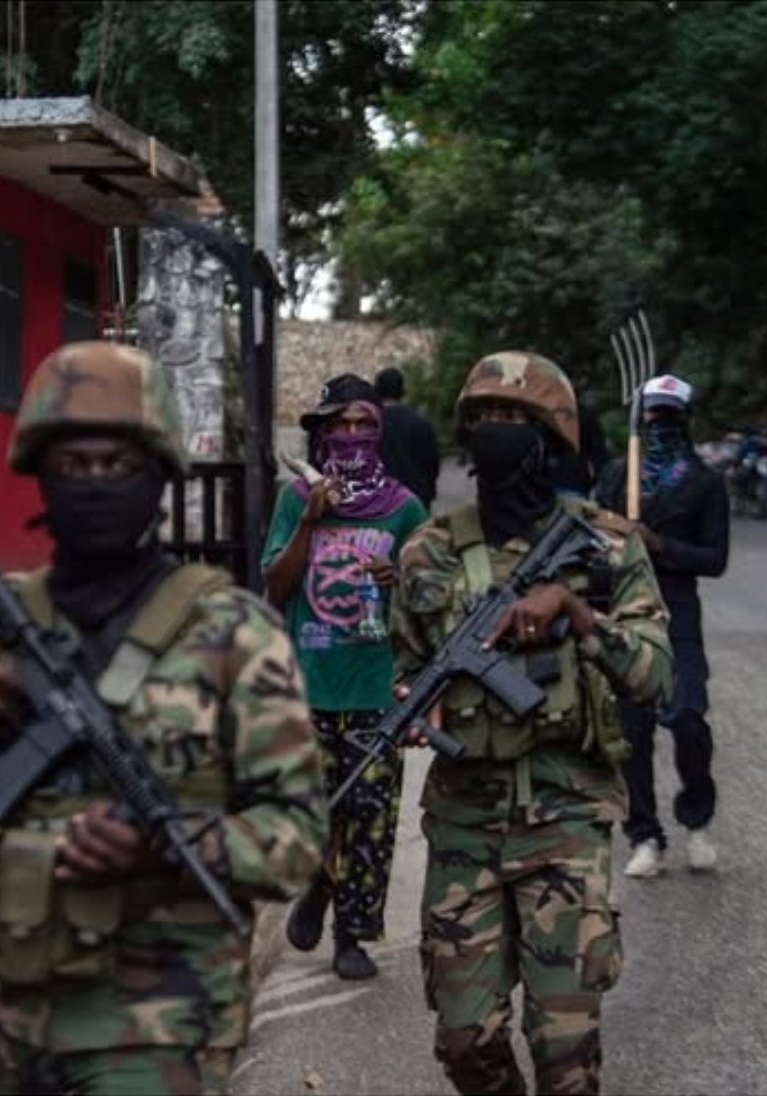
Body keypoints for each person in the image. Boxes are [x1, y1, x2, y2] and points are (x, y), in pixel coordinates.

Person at [0, 341, 327, 1095]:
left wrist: (163, 845)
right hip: (12, 1017)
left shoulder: (232, 634)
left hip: (161, 1024)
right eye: (71, 464)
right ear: (39, 475)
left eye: (115, 463)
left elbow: (298, 841)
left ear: (157, 475)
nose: (92, 482)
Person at [392, 351, 673, 1096]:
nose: (495, 430)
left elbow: (654, 675)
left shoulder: (607, 544)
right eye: (483, 417)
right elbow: (404, 663)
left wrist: (579, 615)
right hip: (464, 821)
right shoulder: (428, 550)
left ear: (551, 435)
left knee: (565, 1054)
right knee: (465, 1042)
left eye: (513, 418)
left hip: (566, 819)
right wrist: (415, 701)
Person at [263, 373, 429, 981]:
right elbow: (275, 587)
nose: (353, 434)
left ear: (378, 431)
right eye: (341, 424)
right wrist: (309, 521)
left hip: (376, 687)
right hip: (311, 684)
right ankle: (318, 886)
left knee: (371, 818)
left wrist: (401, 581)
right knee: (316, 812)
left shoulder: (405, 508)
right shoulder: (294, 500)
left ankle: (352, 934)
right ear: (323, 431)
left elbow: (433, 597)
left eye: (364, 424)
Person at [595, 374, 730, 877]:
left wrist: (659, 545)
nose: (661, 425)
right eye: (654, 415)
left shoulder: (706, 483)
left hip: (678, 615)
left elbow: (715, 558)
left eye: (670, 416)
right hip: (624, 614)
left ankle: (697, 821)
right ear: (641, 418)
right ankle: (644, 837)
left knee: (689, 720)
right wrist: (615, 542)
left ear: (685, 420)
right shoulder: (617, 476)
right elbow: (590, 538)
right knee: (631, 732)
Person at [375, 366, 441, 510]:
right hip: (417, 499)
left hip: (382, 503)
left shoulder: (371, 425)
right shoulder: (420, 422)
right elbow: (432, 462)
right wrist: (429, 490)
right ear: (402, 391)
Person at [551, 394, 612, 498]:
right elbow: (598, 452)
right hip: (577, 478)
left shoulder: (545, 415)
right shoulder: (584, 414)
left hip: (552, 480)